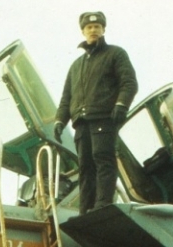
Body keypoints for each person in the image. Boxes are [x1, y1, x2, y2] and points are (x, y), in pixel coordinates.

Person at [54, 11, 138, 215]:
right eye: (89, 27)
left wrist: (121, 105)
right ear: (83, 31)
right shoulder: (76, 66)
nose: (93, 30)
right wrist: (59, 120)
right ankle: (85, 210)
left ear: (103, 30)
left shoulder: (115, 54)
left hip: (104, 118)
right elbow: (67, 97)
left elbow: (129, 83)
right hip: (81, 123)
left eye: (97, 27)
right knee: (85, 167)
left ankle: (102, 206)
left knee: (103, 159)